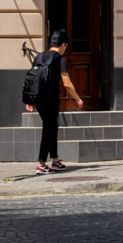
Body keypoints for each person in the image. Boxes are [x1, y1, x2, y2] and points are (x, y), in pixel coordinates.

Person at [25, 28, 83, 174]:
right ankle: (41, 163)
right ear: (63, 44)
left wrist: (30, 100)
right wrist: (77, 99)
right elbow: (67, 83)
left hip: (38, 99)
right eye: (66, 46)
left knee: (52, 127)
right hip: (50, 99)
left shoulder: (39, 56)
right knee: (49, 129)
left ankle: (55, 160)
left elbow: (33, 79)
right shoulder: (60, 59)